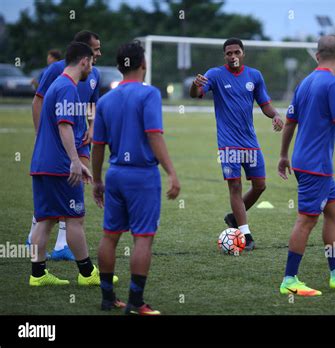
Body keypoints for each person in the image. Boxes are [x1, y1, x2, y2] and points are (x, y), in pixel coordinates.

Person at [92, 41, 180, 315]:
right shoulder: (149, 95)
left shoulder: (106, 99)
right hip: (142, 176)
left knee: (110, 236)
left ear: (120, 66)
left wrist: (97, 180)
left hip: (115, 174)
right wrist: (171, 172)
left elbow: (97, 145)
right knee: (142, 239)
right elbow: (154, 135)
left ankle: (108, 299)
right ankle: (135, 302)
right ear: (144, 64)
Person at [278, 35, 335, 296]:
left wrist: (283, 154)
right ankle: (289, 279)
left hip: (307, 162)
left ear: (317, 56)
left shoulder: (304, 82)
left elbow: (290, 121)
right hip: (315, 165)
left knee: (334, 211)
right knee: (306, 219)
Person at [29, 41, 113, 287]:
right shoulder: (67, 87)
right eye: (92, 60)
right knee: (74, 218)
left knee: (45, 220)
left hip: (42, 164)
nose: (92, 67)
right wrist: (75, 161)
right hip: (59, 167)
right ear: (84, 60)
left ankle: (37, 274)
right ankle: (88, 274)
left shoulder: (58, 84)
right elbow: (64, 125)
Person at [189, 37, 284, 250]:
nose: (233, 56)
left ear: (243, 53)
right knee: (235, 185)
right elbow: (196, 95)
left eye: (236, 52)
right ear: (224, 56)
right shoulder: (214, 74)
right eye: (229, 53)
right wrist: (195, 86)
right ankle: (246, 235)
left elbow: (265, 104)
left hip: (250, 141)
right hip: (228, 143)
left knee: (260, 185)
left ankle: (234, 218)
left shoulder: (255, 76)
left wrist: (276, 115)